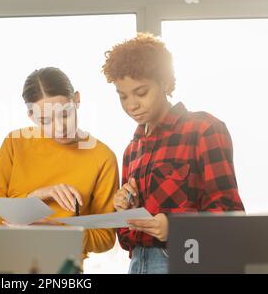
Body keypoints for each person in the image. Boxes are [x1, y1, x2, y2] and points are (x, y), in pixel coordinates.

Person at [102, 33, 245, 274]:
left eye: (141, 92)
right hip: (137, 263)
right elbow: (127, 240)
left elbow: (230, 215)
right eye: (123, 96)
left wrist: (174, 227)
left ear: (166, 84)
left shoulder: (204, 129)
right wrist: (125, 211)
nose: (131, 105)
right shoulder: (132, 150)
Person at [0, 67, 118, 259]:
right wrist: (36, 197)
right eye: (45, 120)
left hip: (64, 268)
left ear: (77, 100)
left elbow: (105, 237)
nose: (60, 128)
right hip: (7, 261)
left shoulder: (103, 157)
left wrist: (62, 233)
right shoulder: (15, 143)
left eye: (65, 114)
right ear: (31, 116)